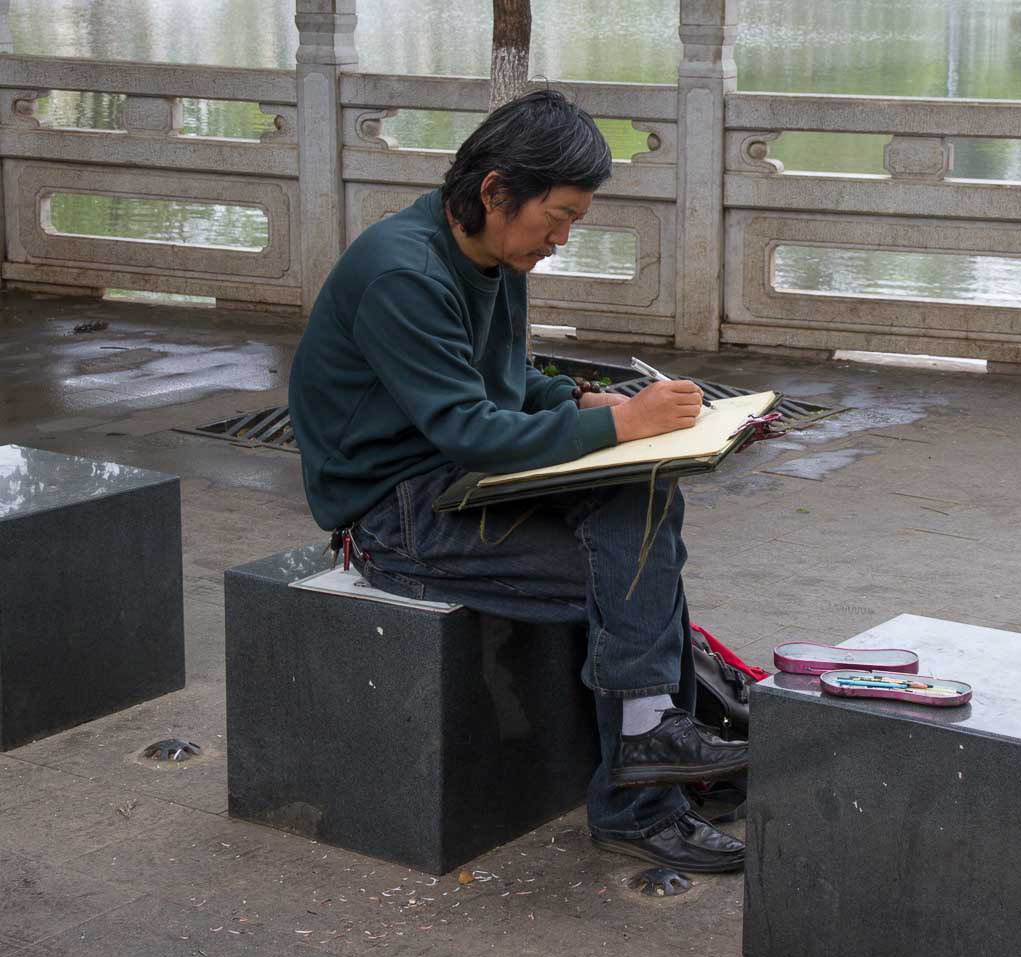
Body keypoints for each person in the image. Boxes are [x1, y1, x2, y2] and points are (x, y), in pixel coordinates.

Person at [287, 90, 747, 873]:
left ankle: (650, 744)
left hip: (458, 485)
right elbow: (470, 428)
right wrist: (621, 425)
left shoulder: (490, 252)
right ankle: (643, 782)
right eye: (557, 216)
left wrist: (580, 401)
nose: (562, 239)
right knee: (632, 571)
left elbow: (503, 380)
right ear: (498, 190)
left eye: (575, 221)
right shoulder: (402, 273)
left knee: (642, 501)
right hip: (396, 516)